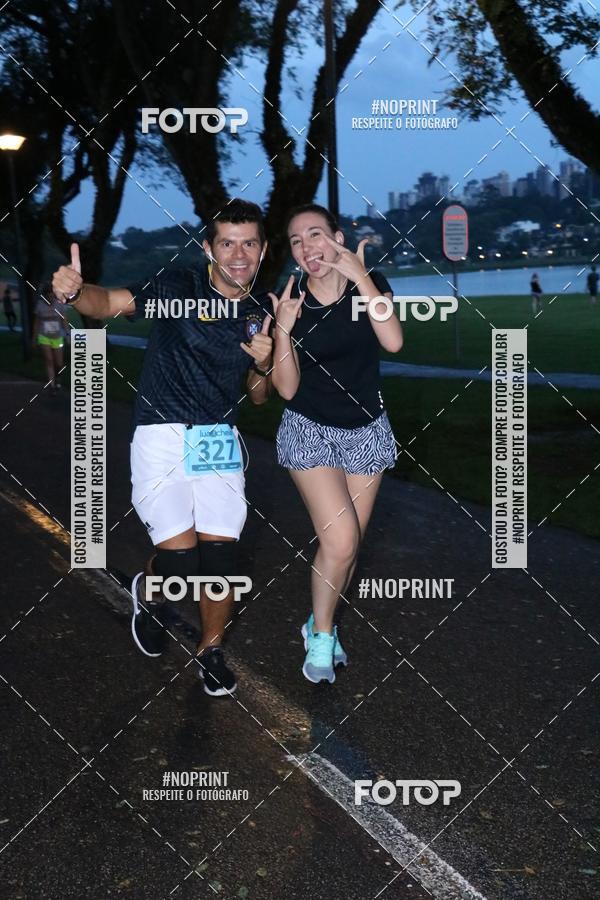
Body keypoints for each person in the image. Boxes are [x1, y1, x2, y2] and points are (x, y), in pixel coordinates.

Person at [52, 199, 273, 696]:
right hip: (161, 433)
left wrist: (264, 362)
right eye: (227, 242)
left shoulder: (263, 311)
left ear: (262, 249)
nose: (238, 253)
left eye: (249, 243)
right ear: (208, 248)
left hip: (219, 437)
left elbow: (259, 396)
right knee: (179, 564)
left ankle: (211, 650)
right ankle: (149, 593)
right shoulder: (177, 287)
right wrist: (74, 291)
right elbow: (107, 303)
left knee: (219, 561)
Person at [270, 204, 403, 684]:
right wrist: (283, 329)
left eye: (315, 235)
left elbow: (393, 341)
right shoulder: (290, 302)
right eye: (296, 240)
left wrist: (363, 278)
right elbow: (284, 389)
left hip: (366, 430)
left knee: (346, 549)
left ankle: (315, 622)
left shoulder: (372, 282)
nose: (308, 248)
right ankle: (322, 635)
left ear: (337, 238)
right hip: (311, 430)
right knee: (340, 539)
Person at [32, 286, 68, 391]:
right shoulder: (39, 305)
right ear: (44, 295)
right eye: (48, 294)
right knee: (49, 360)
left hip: (57, 337)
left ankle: (58, 378)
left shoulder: (59, 304)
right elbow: (36, 323)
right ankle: (51, 385)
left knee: (59, 363)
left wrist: (67, 334)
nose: (50, 296)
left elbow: (64, 320)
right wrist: (34, 338)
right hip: (44, 337)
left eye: (52, 294)